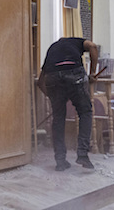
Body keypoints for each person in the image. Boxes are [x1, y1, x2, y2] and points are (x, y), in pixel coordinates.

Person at [37, 37, 100, 172]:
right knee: (85, 112)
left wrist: (53, 97)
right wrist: (93, 73)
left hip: (53, 78)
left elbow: (40, 82)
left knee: (58, 118)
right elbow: (93, 47)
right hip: (74, 74)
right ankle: (82, 154)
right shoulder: (77, 42)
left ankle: (60, 160)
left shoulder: (53, 48)